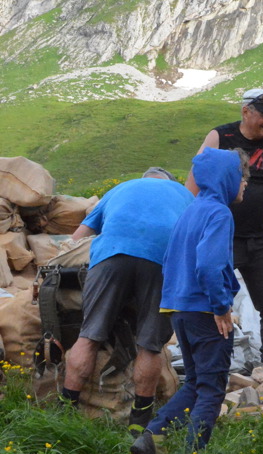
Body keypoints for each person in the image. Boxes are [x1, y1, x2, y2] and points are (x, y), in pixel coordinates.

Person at [131, 148, 247, 454]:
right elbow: (210, 265)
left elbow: (170, 259)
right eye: (242, 179)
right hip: (205, 309)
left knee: (195, 381)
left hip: (179, 308)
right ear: (228, 178)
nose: (244, 186)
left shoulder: (191, 210)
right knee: (212, 388)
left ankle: (151, 435)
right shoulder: (219, 213)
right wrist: (221, 305)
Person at [61, 167, 194, 433]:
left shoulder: (120, 189)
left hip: (112, 254)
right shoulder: (184, 194)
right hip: (162, 260)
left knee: (88, 337)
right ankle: (139, 424)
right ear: (169, 182)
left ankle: (66, 412)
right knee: (151, 346)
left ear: (143, 179)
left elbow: (76, 240)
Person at [186, 88, 263, 367]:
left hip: (258, 238)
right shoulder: (220, 137)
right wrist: (189, 226)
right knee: (211, 299)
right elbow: (194, 181)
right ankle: (209, 359)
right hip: (222, 237)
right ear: (246, 111)